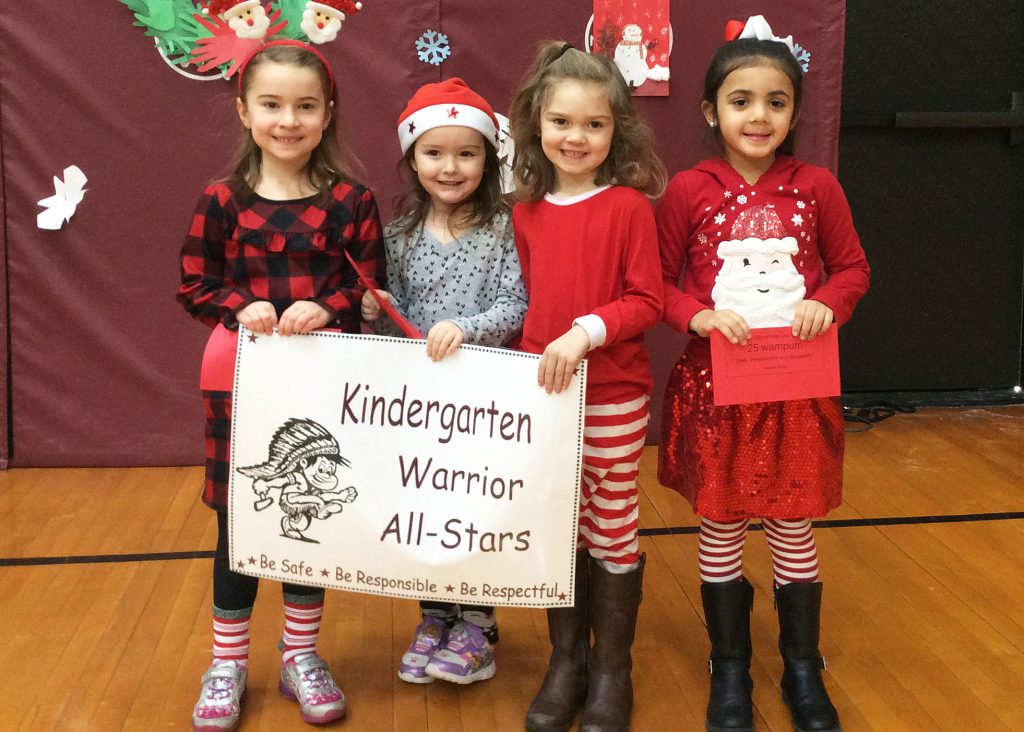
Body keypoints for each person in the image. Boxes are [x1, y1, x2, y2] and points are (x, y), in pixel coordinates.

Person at [656, 16, 870, 732]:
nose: (758, 115)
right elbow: (657, 283)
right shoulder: (690, 187)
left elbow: (852, 270)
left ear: (795, 112)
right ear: (711, 110)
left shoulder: (817, 187)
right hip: (717, 390)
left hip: (794, 389)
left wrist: (825, 304)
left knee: (791, 522)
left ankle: (803, 668)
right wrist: (698, 317)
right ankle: (732, 668)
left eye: (776, 102)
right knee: (720, 524)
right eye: (741, 100)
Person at [177, 39, 383, 732]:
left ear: (327, 114)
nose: (287, 120)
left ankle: (300, 655)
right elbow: (193, 283)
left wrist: (328, 307)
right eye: (271, 105)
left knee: (306, 516)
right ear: (243, 111)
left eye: (304, 106)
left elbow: (367, 290)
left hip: (320, 382)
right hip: (239, 381)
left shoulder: (354, 201)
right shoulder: (222, 200)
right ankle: (227, 663)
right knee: (238, 523)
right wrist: (238, 307)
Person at [508, 41, 666, 732]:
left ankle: (611, 670)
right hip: (542, 397)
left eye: (593, 125)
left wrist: (585, 331)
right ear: (538, 124)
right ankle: (567, 661)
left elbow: (647, 301)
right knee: (559, 523)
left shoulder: (628, 206)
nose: (576, 137)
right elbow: (514, 299)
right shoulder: (524, 210)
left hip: (613, 393)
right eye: (562, 122)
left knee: (611, 523)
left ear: (616, 130)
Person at [360, 78, 528, 685]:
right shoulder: (400, 234)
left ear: (488, 157)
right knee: (424, 504)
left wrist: (465, 328)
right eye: (434, 153)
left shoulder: (506, 228)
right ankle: (433, 614)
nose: (451, 167)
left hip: (482, 396)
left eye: (467, 152)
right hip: (419, 400)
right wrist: (379, 310)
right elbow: (399, 313)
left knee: (472, 507)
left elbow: (517, 305)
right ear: (412, 158)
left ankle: (477, 625)